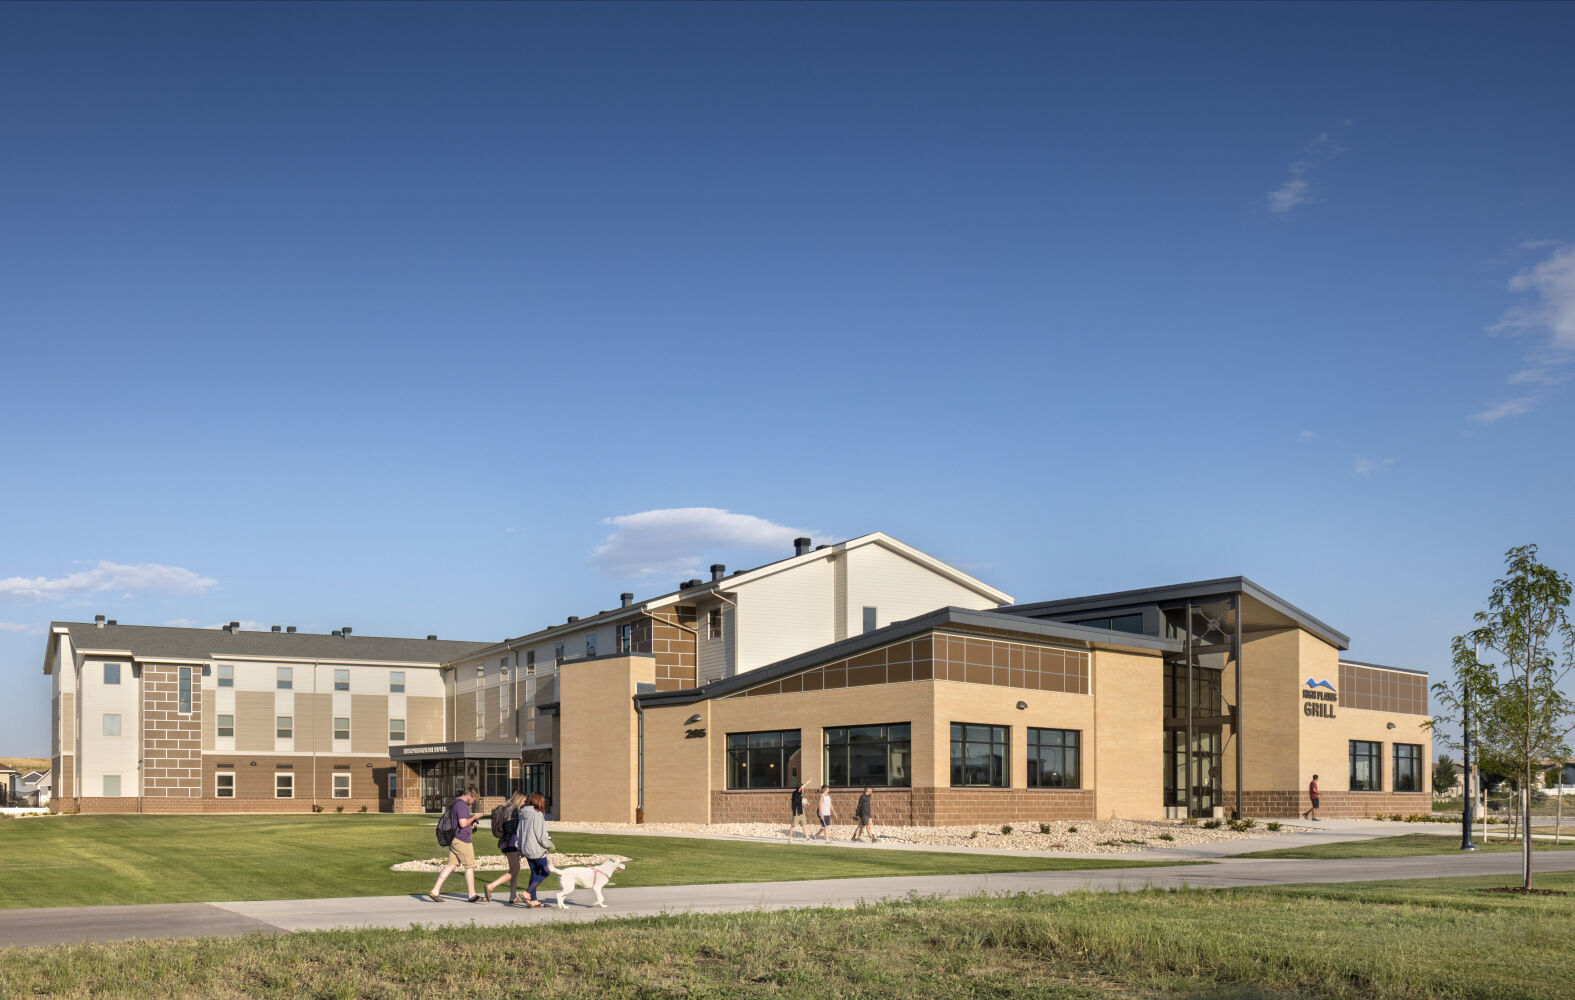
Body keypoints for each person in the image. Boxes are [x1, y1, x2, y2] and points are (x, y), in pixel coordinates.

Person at [428, 785, 483, 902]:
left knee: (451, 865)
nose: (473, 802)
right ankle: (472, 895)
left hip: (454, 838)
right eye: (473, 799)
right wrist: (474, 818)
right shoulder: (462, 805)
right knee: (470, 866)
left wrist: (472, 824)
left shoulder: (455, 803)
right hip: (462, 840)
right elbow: (463, 824)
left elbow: (460, 823)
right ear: (469, 795)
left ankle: (435, 891)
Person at [483, 791, 527, 904]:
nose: (524, 803)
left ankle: (513, 896)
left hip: (506, 843)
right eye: (523, 801)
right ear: (519, 799)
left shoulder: (507, 807)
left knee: (514, 870)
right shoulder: (514, 810)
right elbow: (512, 828)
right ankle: (491, 886)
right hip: (512, 843)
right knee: (515, 869)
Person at [518, 790, 554, 907]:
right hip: (536, 850)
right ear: (539, 801)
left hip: (526, 849)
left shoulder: (523, 813)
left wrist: (520, 848)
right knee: (545, 871)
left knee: (534, 873)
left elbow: (519, 833)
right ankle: (527, 893)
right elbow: (541, 837)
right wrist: (550, 844)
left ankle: (533, 900)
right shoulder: (537, 814)